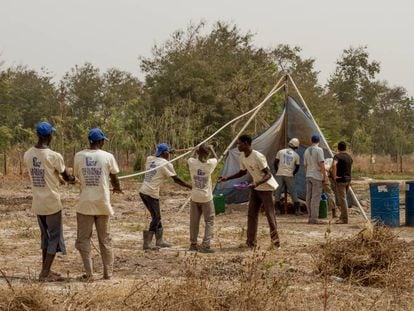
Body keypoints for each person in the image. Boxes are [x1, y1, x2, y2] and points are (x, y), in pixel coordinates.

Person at [23, 121, 75, 281]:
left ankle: (46, 270)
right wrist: (71, 179)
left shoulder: (28, 154)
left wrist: (58, 178)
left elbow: (46, 174)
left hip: (38, 202)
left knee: (45, 237)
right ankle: (45, 273)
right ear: (48, 136)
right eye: (51, 133)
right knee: (54, 237)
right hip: (52, 202)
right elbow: (66, 175)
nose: (52, 136)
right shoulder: (54, 156)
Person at [74, 128, 123, 280]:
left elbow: (76, 175)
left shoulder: (79, 156)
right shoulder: (108, 156)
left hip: (85, 204)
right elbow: (114, 176)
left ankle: (89, 274)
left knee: (83, 240)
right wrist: (117, 188)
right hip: (103, 204)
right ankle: (108, 273)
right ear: (101, 141)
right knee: (105, 239)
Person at [219, 134, 280, 248]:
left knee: (270, 215)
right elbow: (242, 172)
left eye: (239, 143)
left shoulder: (257, 156)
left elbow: (268, 174)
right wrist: (227, 178)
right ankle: (251, 242)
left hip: (266, 188)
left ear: (246, 143)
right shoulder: (242, 156)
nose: (238, 146)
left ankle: (276, 243)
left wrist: (256, 183)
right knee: (252, 215)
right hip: (255, 188)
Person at [139, 143, 192, 250]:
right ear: (164, 153)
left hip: (143, 191)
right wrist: (189, 186)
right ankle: (147, 243)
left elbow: (156, 155)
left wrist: (168, 152)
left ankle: (160, 240)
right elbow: (176, 179)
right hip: (151, 193)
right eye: (168, 152)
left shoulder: (150, 159)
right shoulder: (165, 164)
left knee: (156, 215)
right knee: (157, 217)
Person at [187, 144, 218, 253]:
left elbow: (189, 158)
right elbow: (216, 159)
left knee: (194, 221)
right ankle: (205, 245)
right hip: (206, 198)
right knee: (209, 221)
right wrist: (212, 149)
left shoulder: (192, 163)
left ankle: (193, 244)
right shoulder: (210, 164)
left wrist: (194, 150)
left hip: (195, 197)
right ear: (207, 154)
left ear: (198, 153)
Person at [274, 138, 301, 215]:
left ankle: (277, 210)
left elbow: (275, 162)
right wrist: (293, 173)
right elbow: (298, 166)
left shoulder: (281, 151)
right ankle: (297, 210)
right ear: (296, 147)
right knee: (293, 191)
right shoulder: (296, 155)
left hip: (279, 174)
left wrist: (277, 171)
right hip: (289, 175)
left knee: (277, 192)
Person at [304, 135, 327, 224]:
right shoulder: (319, 150)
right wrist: (325, 176)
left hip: (308, 175)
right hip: (316, 176)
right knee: (315, 197)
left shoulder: (306, 151)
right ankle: (314, 218)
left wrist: (307, 174)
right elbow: (321, 164)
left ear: (311, 140)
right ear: (319, 141)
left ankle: (310, 216)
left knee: (308, 197)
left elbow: (305, 166)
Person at [332, 141, 353, 224]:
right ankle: (342, 217)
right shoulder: (349, 157)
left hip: (340, 180)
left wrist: (334, 176)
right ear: (346, 148)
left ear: (338, 148)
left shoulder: (337, 156)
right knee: (344, 199)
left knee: (342, 199)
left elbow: (334, 165)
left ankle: (344, 219)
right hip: (348, 180)